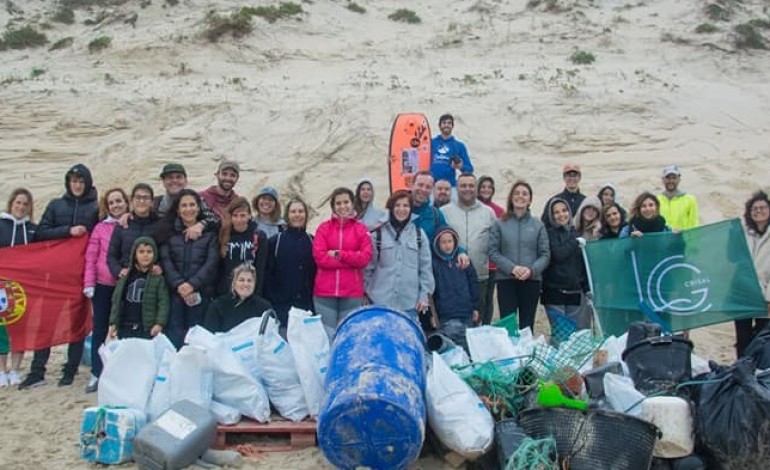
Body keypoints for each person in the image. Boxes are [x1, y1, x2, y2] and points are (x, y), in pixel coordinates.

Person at [19, 164, 99, 390]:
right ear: (68, 182)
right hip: (52, 277)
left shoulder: (95, 208)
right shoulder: (56, 205)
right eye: (73, 181)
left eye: (81, 181)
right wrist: (68, 231)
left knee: (77, 323)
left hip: (79, 276)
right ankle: (37, 371)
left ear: (87, 183)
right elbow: (40, 234)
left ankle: (70, 370)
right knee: (45, 322)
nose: (77, 185)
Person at [155, 189, 220, 349]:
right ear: (177, 209)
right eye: (184, 205)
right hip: (174, 295)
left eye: (192, 205)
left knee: (197, 341)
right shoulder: (168, 233)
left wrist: (192, 285)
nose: (188, 209)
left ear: (198, 208)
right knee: (174, 339)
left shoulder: (210, 235)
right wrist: (180, 285)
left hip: (201, 294)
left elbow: (211, 263)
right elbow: (166, 261)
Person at [82, 187, 129, 393]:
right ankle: (96, 372)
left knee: (124, 330)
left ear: (126, 202)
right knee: (100, 329)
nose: (116, 205)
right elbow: (91, 258)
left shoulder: (130, 224)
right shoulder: (100, 228)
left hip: (126, 286)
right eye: (112, 202)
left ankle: (121, 373)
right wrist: (89, 283)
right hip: (103, 285)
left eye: (119, 201)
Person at [489, 180, 550, 331]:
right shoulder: (499, 223)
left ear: (530, 199)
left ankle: (526, 353)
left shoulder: (538, 225)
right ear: (511, 197)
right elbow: (493, 251)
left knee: (527, 326)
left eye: (524, 194)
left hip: (531, 281)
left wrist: (531, 270)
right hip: (506, 280)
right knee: (507, 325)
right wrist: (512, 268)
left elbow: (545, 254)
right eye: (516, 193)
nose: (520, 196)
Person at [312, 187, 372, 340]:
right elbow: (320, 258)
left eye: (346, 202)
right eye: (338, 203)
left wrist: (339, 254)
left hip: (352, 293)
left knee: (348, 337)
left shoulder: (361, 229)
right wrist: (352, 260)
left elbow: (364, 258)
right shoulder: (323, 228)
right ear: (333, 206)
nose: (342, 206)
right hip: (325, 293)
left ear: (352, 204)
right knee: (327, 337)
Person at [364, 190, 434, 317]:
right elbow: (368, 269)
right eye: (397, 205)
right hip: (380, 303)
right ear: (390, 208)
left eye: (406, 206)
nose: (401, 209)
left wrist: (425, 295)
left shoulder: (419, 235)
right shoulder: (377, 235)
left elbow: (425, 269)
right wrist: (367, 293)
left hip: (409, 304)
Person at [442, 173, 496, 325]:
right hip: (453, 277)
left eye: (471, 186)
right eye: (463, 185)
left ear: (476, 188)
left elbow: (495, 243)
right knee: (457, 322)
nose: (467, 189)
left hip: (480, 276)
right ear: (457, 188)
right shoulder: (444, 212)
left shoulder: (488, 213)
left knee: (479, 319)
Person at [0, 188, 36, 388]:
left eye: (25, 204)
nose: (21, 207)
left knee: (21, 328)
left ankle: (15, 369)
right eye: (18, 203)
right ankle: (1, 370)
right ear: (11, 203)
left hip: (24, 289)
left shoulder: (32, 230)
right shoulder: (1, 225)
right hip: (2, 287)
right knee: (1, 328)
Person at [265, 198, 316, 332]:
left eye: (301, 211)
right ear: (287, 215)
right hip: (281, 310)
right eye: (293, 211)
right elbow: (267, 275)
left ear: (306, 215)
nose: (297, 215)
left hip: (306, 309)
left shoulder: (313, 241)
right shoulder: (275, 242)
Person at [542, 198, 589, 344]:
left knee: (575, 337)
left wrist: (585, 287)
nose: (561, 215)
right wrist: (575, 241)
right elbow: (558, 254)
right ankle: (558, 366)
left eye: (564, 210)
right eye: (556, 212)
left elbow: (582, 264)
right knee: (560, 335)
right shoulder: (549, 234)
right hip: (554, 291)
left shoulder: (575, 232)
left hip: (574, 290)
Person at [107, 237, 169, 340]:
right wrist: (113, 323)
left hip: (146, 328)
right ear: (134, 255)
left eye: (149, 252)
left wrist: (159, 323)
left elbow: (163, 303)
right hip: (125, 326)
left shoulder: (158, 278)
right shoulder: (125, 276)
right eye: (141, 252)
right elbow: (116, 301)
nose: (145, 255)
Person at [431, 226, 479, 352]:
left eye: (450, 241)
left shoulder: (464, 261)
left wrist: (475, 307)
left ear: (455, 242)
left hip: (466, 311)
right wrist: (432, 314)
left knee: (470, 344)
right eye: (443, 242)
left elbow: (473, 284)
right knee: (456, 343)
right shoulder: (434, 265)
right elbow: (432, 293)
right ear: (437, 244)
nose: (447, 245)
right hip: (447, 314)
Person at [736, 190, 770, 357]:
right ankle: (741, 372)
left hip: (765, 295)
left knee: (762, 336)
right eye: (754, 209)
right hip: (744, 293)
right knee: (742, 337)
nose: (758, 211)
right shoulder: (744, 233)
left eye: (762, 207)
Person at [217, 197, 268, 297]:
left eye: (242, 215)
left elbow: (261, 269)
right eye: (235, 216)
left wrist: (257, 294)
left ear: (249, 215)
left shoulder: (259, 236)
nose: (238, 219)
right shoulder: (223, 234)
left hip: (249, 289)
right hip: (226, 291)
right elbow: (219, 268)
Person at [107, 183, 160, 279]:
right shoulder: (123, 225)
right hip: (127, 280)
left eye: (146, 198)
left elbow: (165, 253)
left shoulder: (159, 225)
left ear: (152, 202)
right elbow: (111, 255)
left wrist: (160, 267)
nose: (141, 201)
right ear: (131, 201)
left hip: (152, 279)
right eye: (138, 197)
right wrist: (118, 270)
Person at [204, 263, 272, 333]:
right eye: (241, 280)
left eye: (249, 280)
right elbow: (209, 337)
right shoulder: (218, 306)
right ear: (234, 282)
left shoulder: (264, 307)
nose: (246, 284)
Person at [153, 163, 216, 236]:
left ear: (186, 181)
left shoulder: (197, 200)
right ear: (163, 182)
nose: (174, 181)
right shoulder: (155, 203)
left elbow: (214, 220)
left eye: (179, 177)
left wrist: (201, 225)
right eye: (170, 177)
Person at [477, 175, 504, 324]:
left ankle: (486, 326)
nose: (486, 190)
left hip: (492, 264)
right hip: (475, 260)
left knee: (488, 298)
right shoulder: (472, 207)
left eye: (489, 187)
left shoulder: (499, 211)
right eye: (483, 187)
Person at [430, 113, 474, 196]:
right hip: (432, 185)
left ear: (452, 126)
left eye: (449, 123)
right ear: (439, 126)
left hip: (450, 187)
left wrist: (460, 167)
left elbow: (470, 169)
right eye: (444, 123)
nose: (446, 125)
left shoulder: (459, 146)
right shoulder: (430, 143)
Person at [658, 165, 699, 231]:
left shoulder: (690, 200)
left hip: (682, 239)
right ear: (663, 180)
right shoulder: (656, 201)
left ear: (679, 179)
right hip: (663, 239)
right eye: (668, 178)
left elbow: (694, 224)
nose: (671, 181)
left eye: (674, 178)